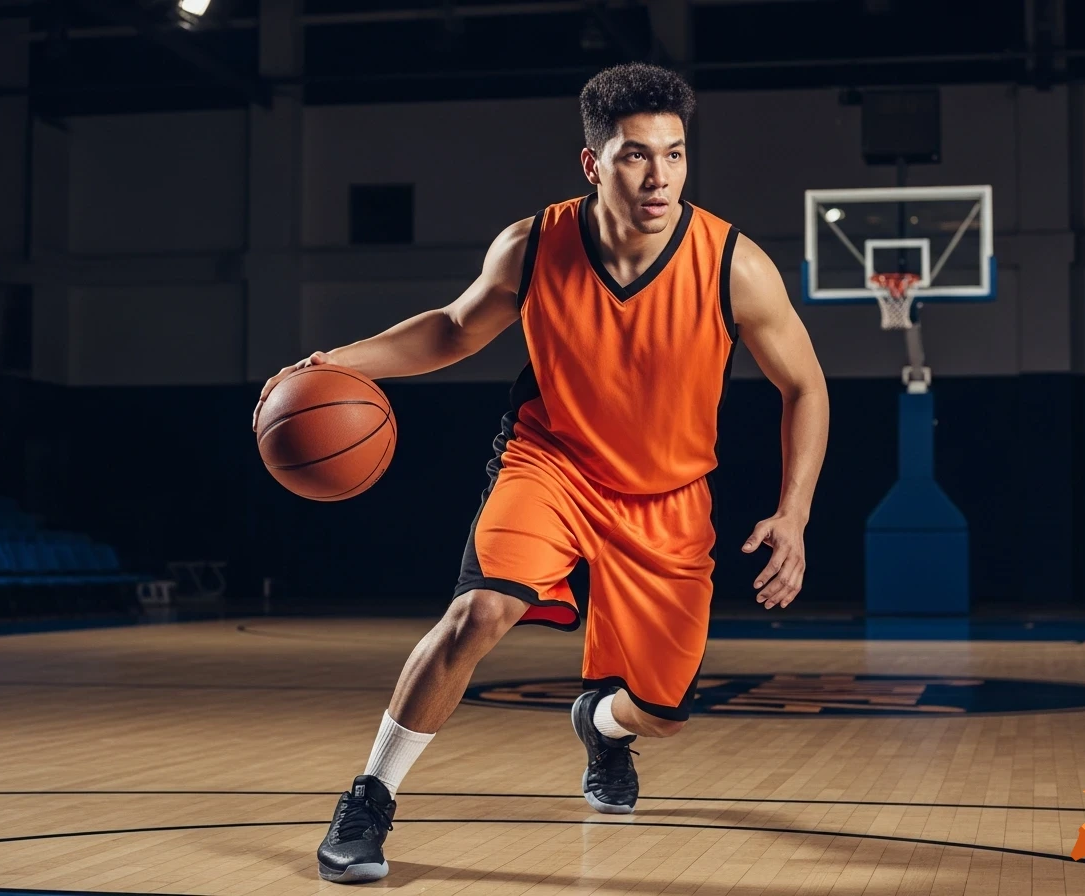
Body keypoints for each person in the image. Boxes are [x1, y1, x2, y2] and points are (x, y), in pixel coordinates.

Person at [252, 62, 829, 884]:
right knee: (476, 615)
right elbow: (454, 329)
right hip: (551, 462)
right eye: (635, 155)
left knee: (662, 714)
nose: (659, 175)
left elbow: (804, 385)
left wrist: (794, 513)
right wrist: (332, 364)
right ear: (593, 163)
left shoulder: (734, 264)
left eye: (674, 153)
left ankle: (604, 724)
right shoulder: (534, 245)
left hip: (667, 499)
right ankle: (369, 800)